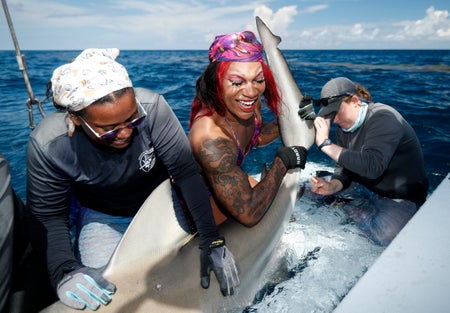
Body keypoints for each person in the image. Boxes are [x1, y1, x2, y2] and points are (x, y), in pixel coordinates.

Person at [26, 48, 239, 311]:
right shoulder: (49, 144)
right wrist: (64, 270)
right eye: (108, 129)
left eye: (131, 120)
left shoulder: (153, 109)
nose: (125, 132)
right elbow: (49, 216)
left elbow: (186, 174)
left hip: (163, 203)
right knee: (101, 297)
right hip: (104, 215)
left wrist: (210, 239)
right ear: (75, 118)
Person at [188, 30, 308, 227]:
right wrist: (282, 163)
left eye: (258, 80)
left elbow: (256, 137)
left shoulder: (247, 102)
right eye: (237, 82)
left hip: (233, 186)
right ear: (215, 82)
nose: (251, 92)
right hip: (205, 212)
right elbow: (248, 215)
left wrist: (291, 119)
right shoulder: (209, 138)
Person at [310, 77, 429, 246]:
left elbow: (373, 166)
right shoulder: (345, 127)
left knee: (383, 237)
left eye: (336, 111)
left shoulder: (384, 117)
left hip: (400, 196)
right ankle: (348, 204)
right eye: (330, 114)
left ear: (355, 101)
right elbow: (345, 167)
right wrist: (334, 185)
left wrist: (325, 144)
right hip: (365, 186)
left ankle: (347, 207)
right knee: (309, 192)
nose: (334, 119)